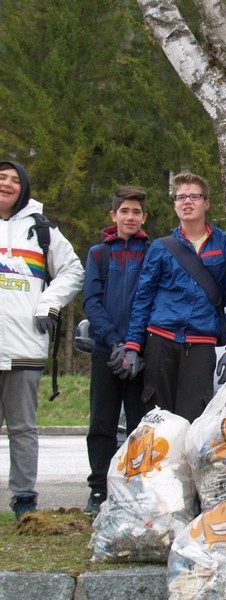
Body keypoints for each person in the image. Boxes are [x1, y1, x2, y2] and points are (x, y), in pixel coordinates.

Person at [121, 172, 226, 423]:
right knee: (158, 421)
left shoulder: (223, 243)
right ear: (175, 205)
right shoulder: (161, 247)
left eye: (194, 196)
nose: (187, 202)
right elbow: (143, 299)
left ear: (206, 203)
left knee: (194, 420)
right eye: (180, 197)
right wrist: (132, 346)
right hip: (160, 341)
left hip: (201, 344)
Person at [0, 160, 84, 520]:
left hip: (24, 346)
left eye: (14, 179)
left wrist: (48, 303)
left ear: (24, 187)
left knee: (22, 428)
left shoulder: (42, 229)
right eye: (1, 178)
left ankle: (24, 500)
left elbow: (73, 271)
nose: (6, 184)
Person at [82, 186, 150, 515]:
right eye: (125, 211)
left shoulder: (152, 252)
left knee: (140, 425)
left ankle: (137, 487)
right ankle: (99, 490)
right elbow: (91, 301)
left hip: (142, 353)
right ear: (114, 215)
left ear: (144, 217)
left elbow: (151, 299)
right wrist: (114, 342)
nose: (130, 217)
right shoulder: (99, 254)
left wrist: (136, 345)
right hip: (106, 351)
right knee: (102, 423)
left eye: (136, 212)